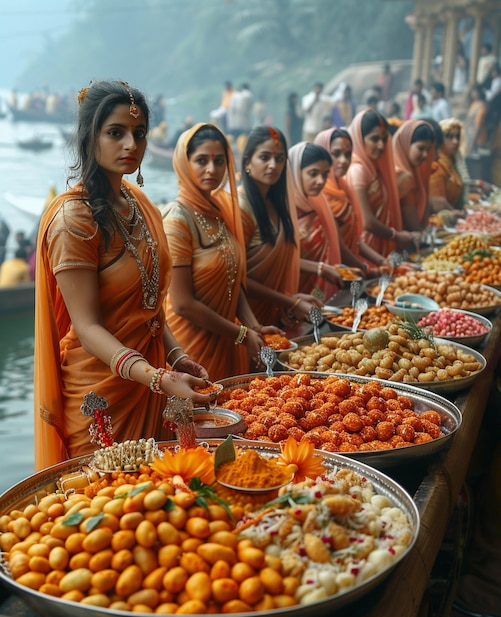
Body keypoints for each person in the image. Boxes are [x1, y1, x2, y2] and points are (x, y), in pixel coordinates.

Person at [34, 80, 210, 471]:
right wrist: (158, 378)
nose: (131, 144)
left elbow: (149, 306)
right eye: (116, 133)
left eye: (139, 133)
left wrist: (178, 357)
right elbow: (87, 326)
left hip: (151, 377)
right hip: (101, 392)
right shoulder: (73, 221)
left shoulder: (139, 202)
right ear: (89, 138)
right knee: (113, 511)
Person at [163, 123, 280, 381]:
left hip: (228, 339)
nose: (212, 170)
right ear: (185, 163)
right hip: (192, 347)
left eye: (219, 161)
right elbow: (182, 304)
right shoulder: (177, 220)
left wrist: (252, 325)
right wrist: (240, 333)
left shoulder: (220, 210)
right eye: (201, 160)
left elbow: (233, 279)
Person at [238, 126, 321, 330]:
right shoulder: (240, 206)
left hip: (274, 311)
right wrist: (290, 301)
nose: (273, 165)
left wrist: (290, 298)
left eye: (280, 158)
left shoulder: (277, 203)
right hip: (247, 319)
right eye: (264, 157)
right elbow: (237, 279)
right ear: (248, 161)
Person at [314, 127, 387, 270]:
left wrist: (382, 262)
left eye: (347, 155)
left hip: (353, 267)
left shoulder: (343, 188)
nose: (343, 160)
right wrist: (366, 268)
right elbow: (338, 246)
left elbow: (355, 241)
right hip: (333, 273)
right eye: (336, 154)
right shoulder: (319, 194)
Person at [347, 109, 416, 257]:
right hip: (369, 251)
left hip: (383, 244)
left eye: (384, 139)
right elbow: (367, 222)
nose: (381, 145)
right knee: (381, 280)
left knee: (391, 279)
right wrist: (395, 236)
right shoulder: (358, 171)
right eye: (374, 139)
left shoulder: (375, 169)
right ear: (359, 139)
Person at [288, 142, 344, 301]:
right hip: (292, 296)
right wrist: (320, 269)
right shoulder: (281, 209)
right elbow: (280, 261)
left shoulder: (316, 203)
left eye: (325, 174)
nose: (321, 181)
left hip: (318, 290)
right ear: (295, 172)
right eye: (313, 173)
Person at [392, 119, 436, 232]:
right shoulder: (403, 177)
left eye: (428, 149)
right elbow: (413, 225)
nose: (425, 155)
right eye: (420, 148)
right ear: (405, 144)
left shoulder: (413, 172)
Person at [429, 117, 469, 212]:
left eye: (457, 137)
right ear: (439, 140)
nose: (455, 142)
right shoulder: (436, 166)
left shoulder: (453, 162)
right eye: (449, 137)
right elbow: (439, 208)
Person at [465, 84, 488, 154]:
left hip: (476, 139)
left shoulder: (482, 106)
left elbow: (478, 126)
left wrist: (472, 144)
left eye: (474, 92)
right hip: (469, 135)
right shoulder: (474, 103)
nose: (472, 94)